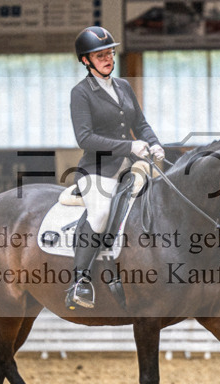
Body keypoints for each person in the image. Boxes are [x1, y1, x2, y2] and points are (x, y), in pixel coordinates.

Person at [66, 25, 165, 310]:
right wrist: (129, 147)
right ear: (86, 60)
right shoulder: (81, 93)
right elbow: (84, 138)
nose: (107, 58)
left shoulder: (123, 86)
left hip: (132, 166)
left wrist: (153, 143)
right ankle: (80, 281)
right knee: (99, 214)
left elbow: (141, 124)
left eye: (109, 52)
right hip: (97, 170)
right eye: (100, 55)